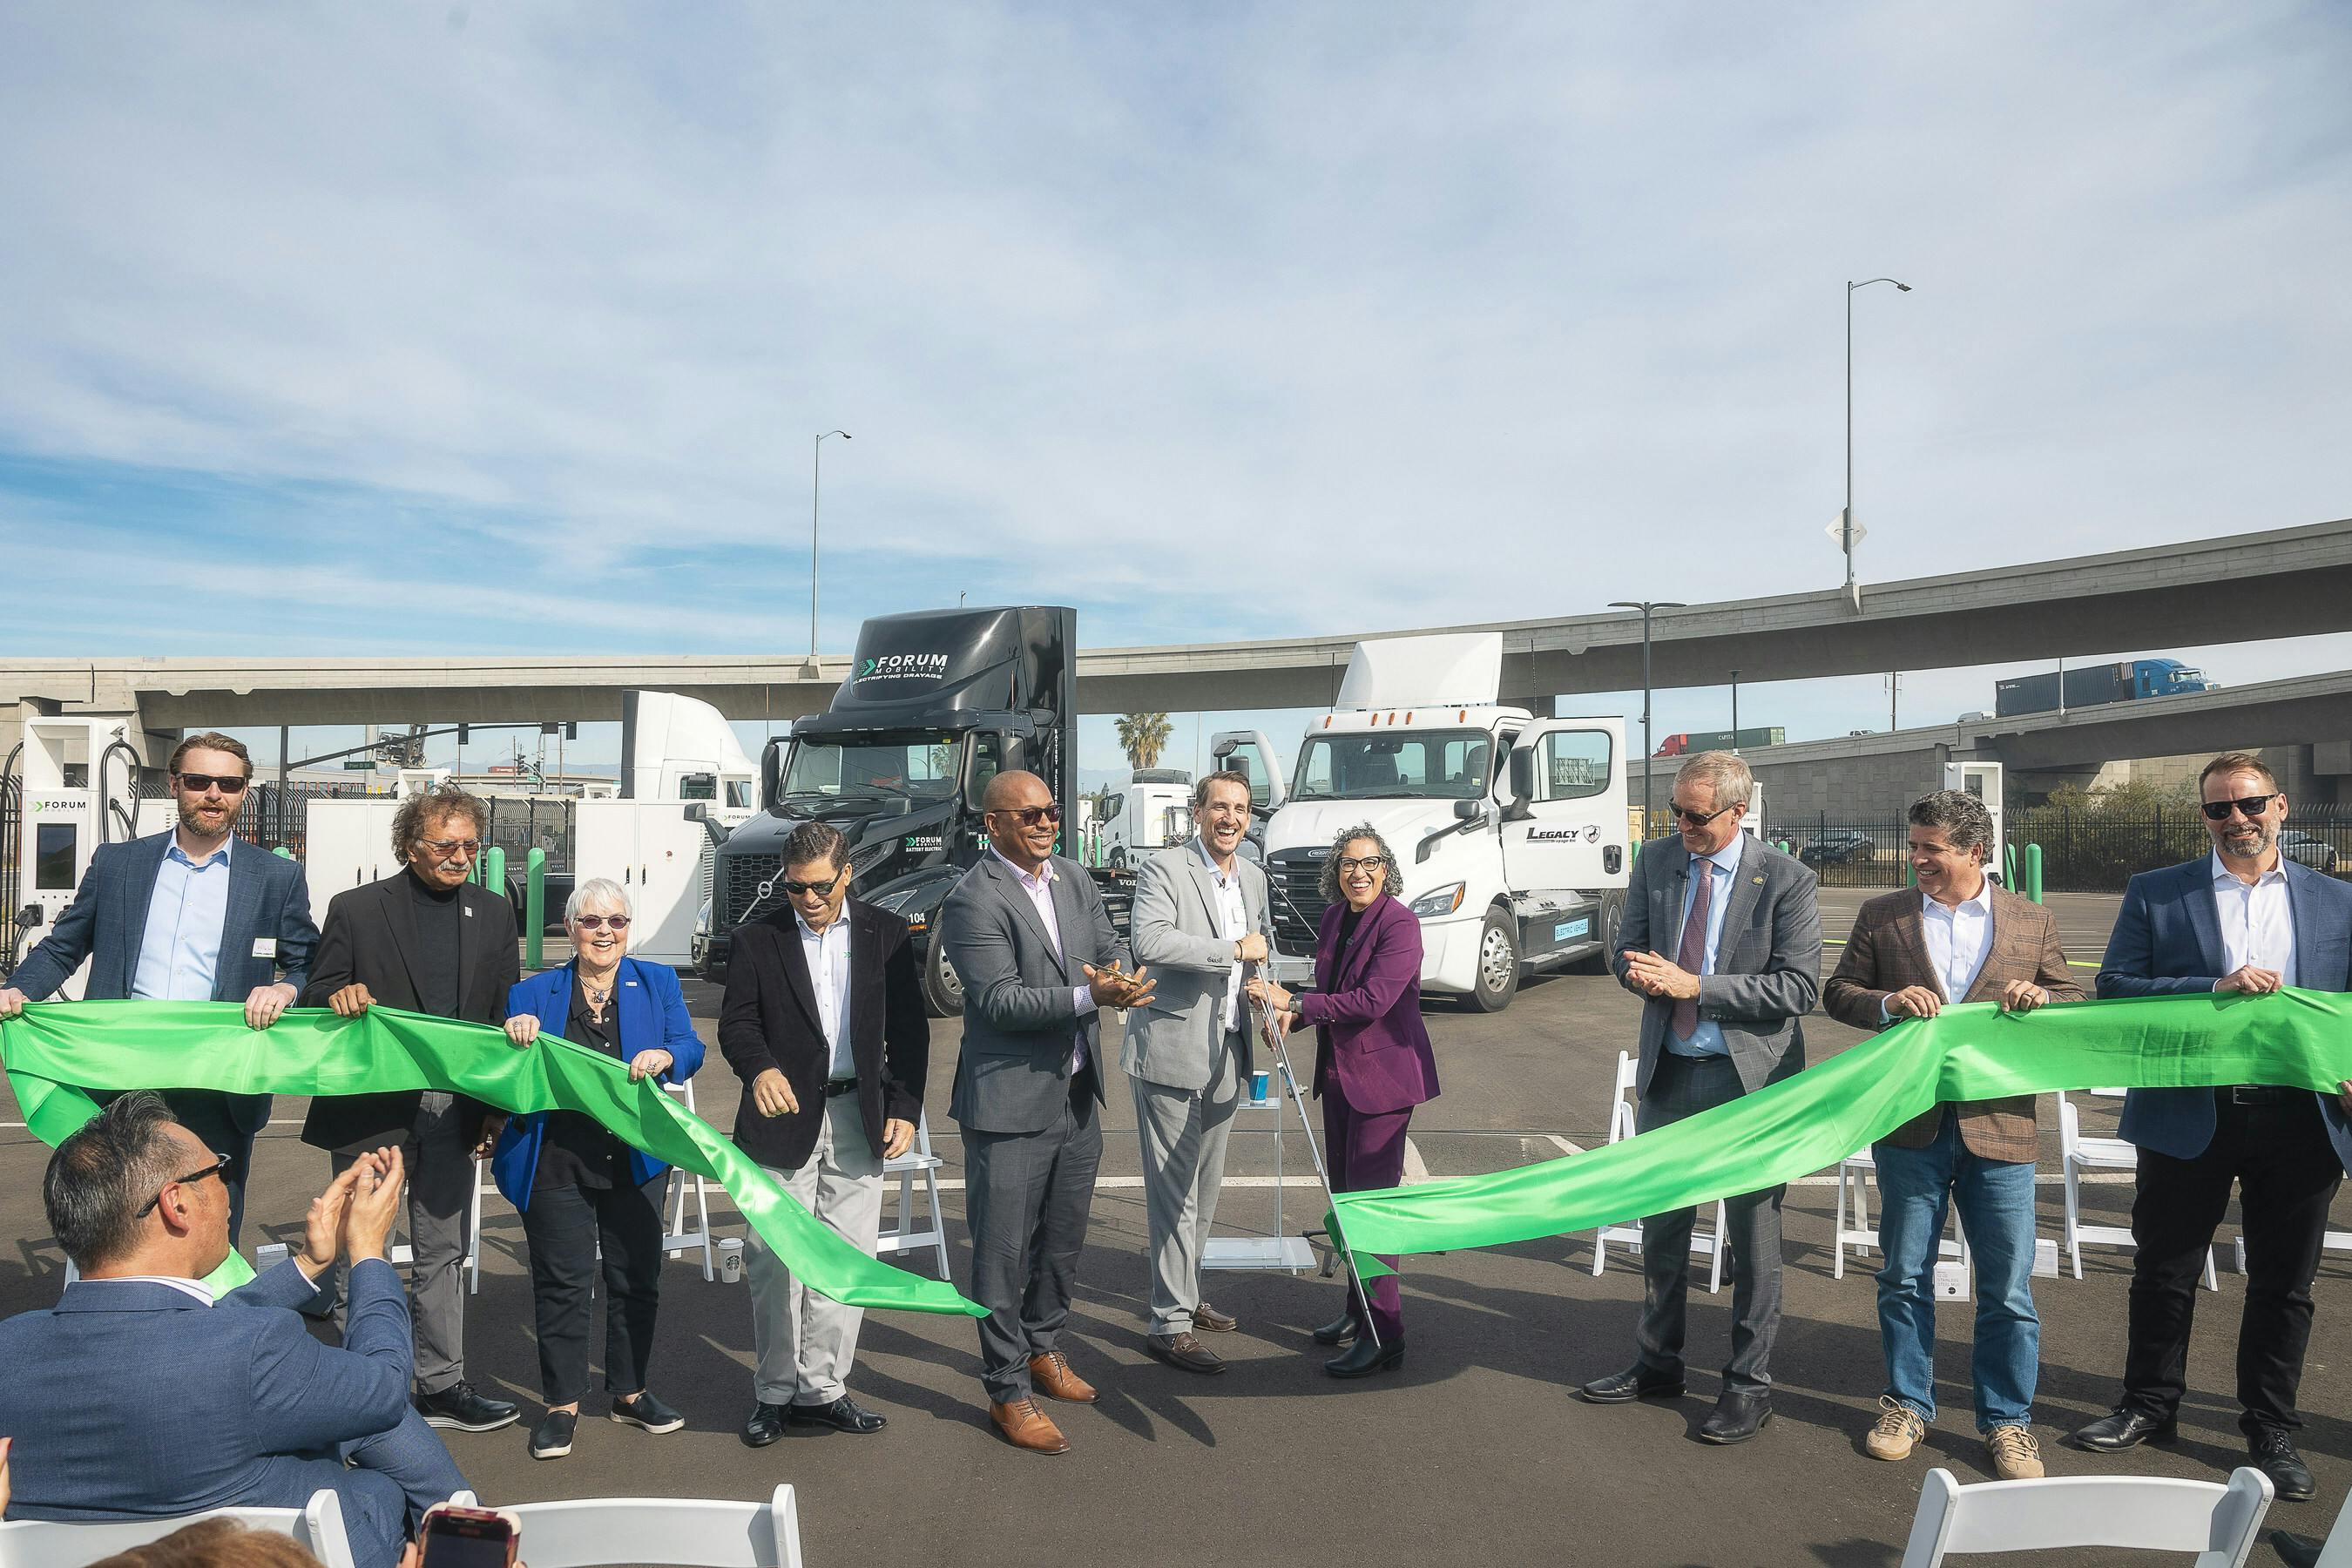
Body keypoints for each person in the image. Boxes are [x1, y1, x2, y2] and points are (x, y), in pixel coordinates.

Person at [0, 1092, 467, 1568]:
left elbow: (183, 1332)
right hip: (277, 1552)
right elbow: (385, 1388)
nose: (228, 1183)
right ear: (176, 1205)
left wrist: (308, 1264)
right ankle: (472, 1544)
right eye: (216, 1170)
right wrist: (367, 1252)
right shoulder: (252, 1353)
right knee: (379, 1446)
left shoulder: (10, 1351)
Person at [2070, 753, 2352, 1504]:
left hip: (2300, 1116)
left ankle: (2271, 1427)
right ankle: (2148, 1406)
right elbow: (2117, 987)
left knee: (2284, 1284)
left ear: (2282, 807)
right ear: (2204, 818)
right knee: (2163, 1271)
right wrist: (2212, 987)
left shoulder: (2338, 901)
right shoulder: (2159, 893)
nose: (2238, 820)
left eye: (2251, 804)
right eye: (2220, 809)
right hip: (2187, 1108)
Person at [1822, 788, 2084, 1480]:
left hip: (2002, 1127)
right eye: (1913, 846)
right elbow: (1839, 991)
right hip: (1910, 1127)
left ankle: (2008, 1422)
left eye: (1929, 849)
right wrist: (1884, 1002)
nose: (1917, 860)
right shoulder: (1884, 915)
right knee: (1904, 1276)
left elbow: (2077, 1000)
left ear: (1974, 851)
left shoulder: (2030, 919)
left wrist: (2045, 999)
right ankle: (1907, 1402)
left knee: (2007, 1287)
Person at [1576, 751, 1821, 1444]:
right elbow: (1624, 952)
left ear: (1739, 812)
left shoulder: (1787, 880)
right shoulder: (1657, 861)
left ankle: (1748, 1386)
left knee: (1752, 1238)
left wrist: (1697, 987)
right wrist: (1643, 976)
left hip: (1749, 1084)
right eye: (1675, 812)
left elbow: (1800, 989)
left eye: (1695, 815)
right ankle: (1658, 1363)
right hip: (1671, 1072)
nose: (1680, 824)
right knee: (1662, 1231)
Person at [0, 731, 318, 1243]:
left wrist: (288, 990)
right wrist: (18, 990)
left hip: (220, 1077)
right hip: (121, 1072)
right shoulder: (118, 863)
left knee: (211, 1223)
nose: (214, 794)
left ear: (243, 792)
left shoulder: (276, 877)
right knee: (114, 1220)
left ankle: (209, 1323)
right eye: (199, 780)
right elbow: (64, 947)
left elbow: (309, 965)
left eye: (229, 784)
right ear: (175, 785)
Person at [300, 785, 522, 1436]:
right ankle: (362, 1386)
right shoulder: (358, 909)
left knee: (442, 1251)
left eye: (470, 846)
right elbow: (318, 988)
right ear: (409, 846)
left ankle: (442, 1384)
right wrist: (340, 993)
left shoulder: (495, 910)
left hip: (456, 1111)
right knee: (361, 1246)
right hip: (375, 1108)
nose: (460, 857)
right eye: (445, 845)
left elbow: (500, 1015)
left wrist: (493, 1109)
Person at [943, 768, 1152, 1454]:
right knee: (1001, 1258)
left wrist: (1114, 974)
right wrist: (1093, 997)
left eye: (1051, 812)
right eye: (1029, 815)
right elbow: (1000, 1000)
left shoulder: (1073, 877)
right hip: (1007, 1108)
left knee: (1061, 1244)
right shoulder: (973, 898)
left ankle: (1045, 1348)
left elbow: (1104, 947)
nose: (1044, 823)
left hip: (1074, 1097)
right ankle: (1007, 1391)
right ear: (993, 823)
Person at [720, 821, 929, 1445]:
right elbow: (737, 1024)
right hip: (778, 1119)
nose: (809, 900)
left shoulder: (886, 934)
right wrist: (758, 1068)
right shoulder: (758, 939)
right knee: (776, 1261)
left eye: (820, 888)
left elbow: (912, 1033)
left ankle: (825, 1388)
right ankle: (775, 1393)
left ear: (848, 875)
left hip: (858, 1117)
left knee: (845, 1260)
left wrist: (906, 1105)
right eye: (795, 889)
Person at [490, 879, 704, 1460]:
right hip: (556, 1158)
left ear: (628, 930)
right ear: (571, 929)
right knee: (562, 1283)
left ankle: (631, 1393)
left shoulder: (657, 982)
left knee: (637, 1280)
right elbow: (508, 1079)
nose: (604, 931)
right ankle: (562, 1404)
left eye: (616, 921)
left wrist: (667, 1056)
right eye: (591, 921)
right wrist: (516, 1039)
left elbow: (691, 1046)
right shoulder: (530, 993)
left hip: (635, 1157)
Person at [1247, 823, 1437, 1378]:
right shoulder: (1334, 918)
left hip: (1384, 1084)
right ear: (1336, 871)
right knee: (1348, 1203)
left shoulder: (1401, 923)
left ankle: (1387, 1333)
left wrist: (1297, 1003)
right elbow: (1328, 994)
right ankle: (1357, 1314)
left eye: (1370, 863)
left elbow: (1374, 998)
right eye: (1349, 864)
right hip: (1339, 1078)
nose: (1359, 873)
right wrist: (1291, 1016)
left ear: (1387, 869)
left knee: (1373, 1214)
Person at [1125, 769, 1271, 1375]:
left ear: (1249, 816)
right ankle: (1170, 1323)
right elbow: (1149, 942)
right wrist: (1233, 951)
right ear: (1197, 812)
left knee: (1205, 1191)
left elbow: (1266, 950)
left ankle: (1184, 1293)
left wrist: (1269, 998)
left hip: (1229, 1050)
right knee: (1173, 1193)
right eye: (1219, 807)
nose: (1229, 818)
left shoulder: (1255, 877)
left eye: (1239, 808)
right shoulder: (1166, 869)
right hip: (1170, 1050)